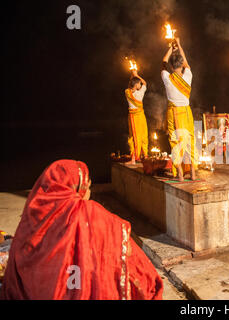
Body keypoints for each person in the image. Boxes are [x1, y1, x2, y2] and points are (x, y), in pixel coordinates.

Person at [0, 160, 163, 300]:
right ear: (75, 190)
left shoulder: (32, 219)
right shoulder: (93, 217)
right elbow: (139, 270)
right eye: (87, 188)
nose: (89, 194)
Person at [161, 38, 197, 181]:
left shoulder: (167, 77)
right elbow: (186, 63)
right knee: (189, 141)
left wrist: (170, 47)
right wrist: (179, 45)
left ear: (171, 66)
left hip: (173, 113)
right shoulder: (188, 76)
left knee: (175, 142)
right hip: (186, 113)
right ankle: (193, 173)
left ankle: (181, 174)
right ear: (181, 64)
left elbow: (163, 62)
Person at [125, 69, 149, 165]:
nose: (141, 85)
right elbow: (145, 83)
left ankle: (136, 158)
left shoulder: (127, 92)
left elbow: (131, 85)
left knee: (137, 137)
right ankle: (142, 156)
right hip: (140, 116)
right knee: (140, 136)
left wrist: (133, 75)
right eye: (139, 84)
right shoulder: (140, 92)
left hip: (135, 117)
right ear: (136, 85)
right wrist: (136, 75)